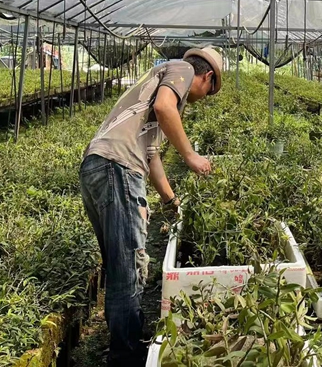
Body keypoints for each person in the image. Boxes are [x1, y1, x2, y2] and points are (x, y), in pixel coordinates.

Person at [79, 47, 223, 366]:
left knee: (120, 267)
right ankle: (127, 357)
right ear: (207, 77)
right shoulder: (181, 70)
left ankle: (123, 348)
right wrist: (190, 156)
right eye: (208, 91)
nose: (202, 98)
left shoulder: (153, 92)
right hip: (117, 168)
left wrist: (171, 200)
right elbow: (165, 106)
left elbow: (152, 155)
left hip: (98, 167)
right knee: (129, 270)